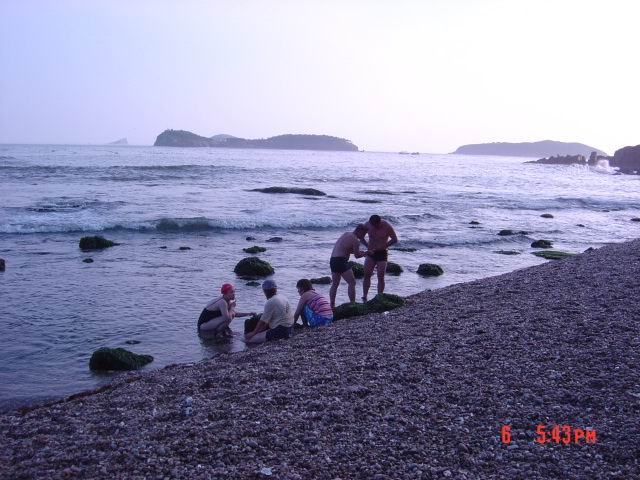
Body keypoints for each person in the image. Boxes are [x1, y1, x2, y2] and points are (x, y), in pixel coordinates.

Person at [329, 224, 369, 308]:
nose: (363, 236)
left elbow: (347, 249)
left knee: (335, 284)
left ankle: (332, 304)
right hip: (341, 261)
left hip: (333, 260)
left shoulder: (346, 234)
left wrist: (362, 253)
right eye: (364, 234)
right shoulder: (355, 240)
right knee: (352, 282)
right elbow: (357, 256)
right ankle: (352, 303)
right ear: (360, 231)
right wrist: (365, 253)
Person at [245, 279, 294, 343]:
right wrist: (260, 331)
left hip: (282, 330)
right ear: (275, 289)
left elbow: (262, 321)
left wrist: (253, 333)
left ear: (265, 291)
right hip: (290, 328)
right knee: (257, 334)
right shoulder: (282, 296)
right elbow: (267, 321)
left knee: (249, 340)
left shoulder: (271, 302)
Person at [362, 214, 398, 302]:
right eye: (373, 225)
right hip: (371, 252)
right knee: (367, 274)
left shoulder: (386, 225)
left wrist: (384, 246)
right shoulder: (367, 225)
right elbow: (360, 237)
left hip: (382, 253)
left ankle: (379, 296)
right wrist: (367, 245)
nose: (374, 227)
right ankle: (364, 296)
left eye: (376, 225)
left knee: (381, 275)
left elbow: (395, 239)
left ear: (379, 222)